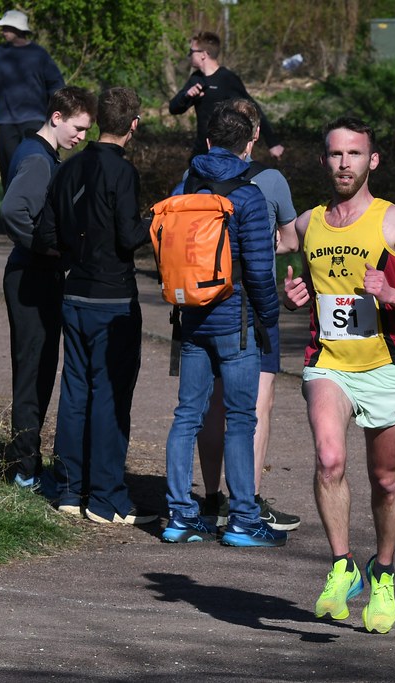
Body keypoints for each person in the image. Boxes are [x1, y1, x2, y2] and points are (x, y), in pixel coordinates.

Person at [283, 116, 395, 633]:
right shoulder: (308, 223)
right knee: (330, 461)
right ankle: (342, 565)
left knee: (385, 479)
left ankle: (383, 572)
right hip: (328, 362)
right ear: (323, 160)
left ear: (372, 161)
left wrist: (391, 294)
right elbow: (277, 252)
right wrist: (293, 296)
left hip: (385, 365)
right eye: (335, 154)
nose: (343, 163)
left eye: (353, 154)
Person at [162, 102, 285, 548]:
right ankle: (243, 520)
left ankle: (180, 515)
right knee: (240, 419)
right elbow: (259, 271)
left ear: (209, 141)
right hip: (237, 324)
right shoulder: (248, 196)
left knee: (187, 415)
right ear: (247, 145)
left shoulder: (184, 188)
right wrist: (268, 319)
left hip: (191, 320)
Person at [31, 87, 156, 524]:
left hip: (74, 292)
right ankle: (105, 498)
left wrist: (74, 253)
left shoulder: (67, 168)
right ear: (133, 125)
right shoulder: (123, 172)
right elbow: (128, 236)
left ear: (99, 120)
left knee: (75, 390)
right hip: (113, 297)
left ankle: (69, 489)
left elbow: (46, 234)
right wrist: (155, 222)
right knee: (109, 395)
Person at [195, 98, 300, 533]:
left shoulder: (194, 177)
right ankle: (249, 502)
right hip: (250, 306)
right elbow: (290, 240)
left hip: (200, 301)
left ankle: (210, 499)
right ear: (254, 135)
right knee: (256, 403)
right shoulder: (270, 180)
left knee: (208, 405)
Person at [0, 86, 96, 489]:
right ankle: (24, 470)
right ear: (56, 117)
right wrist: (45, 248)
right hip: (31, 277)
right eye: (78, 128)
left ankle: (28, 463)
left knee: (39, 370)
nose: (82, 137)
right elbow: (12, 210)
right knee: (33, 372)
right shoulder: (38, 159)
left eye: (87, 130)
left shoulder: (38, 152)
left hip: (35, 274)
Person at [0, 9, 65, 190]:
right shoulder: (0, 54)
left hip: (35, 120)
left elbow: (55, 84)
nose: (3, 31)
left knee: (37, 165)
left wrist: (59, 111)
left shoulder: (39, 54)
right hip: (6, 122)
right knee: (9, 169)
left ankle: (38, 204)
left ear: (18, 29)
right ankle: (9, 205)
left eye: (7, 28)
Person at [168, 31, 283, 161]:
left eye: (191, 51)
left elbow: (253, 110)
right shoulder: (196, 79)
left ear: (203, 54)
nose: (189, 55)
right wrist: (186, 95)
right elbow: (173, 108)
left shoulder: (227, 79)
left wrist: (272, 143)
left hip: (226, 153)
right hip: (202, 152)